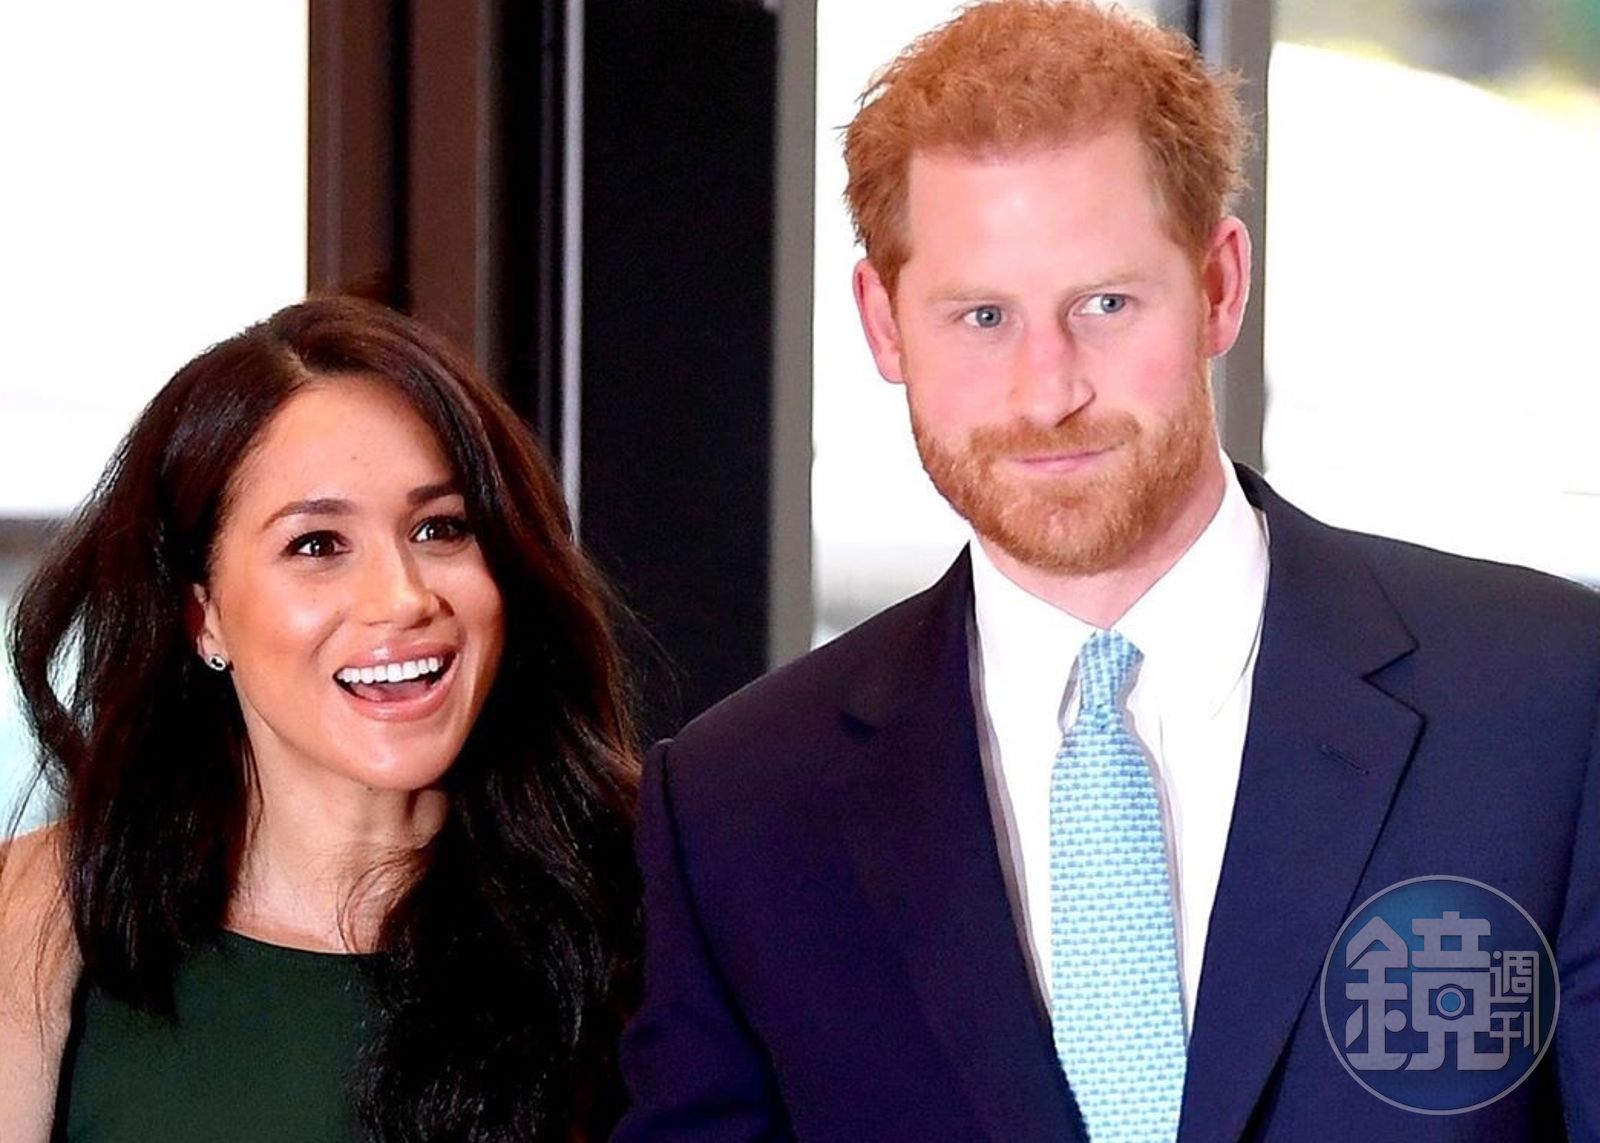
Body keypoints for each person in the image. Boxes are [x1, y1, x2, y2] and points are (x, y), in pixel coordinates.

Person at [616, 1, 1600, 1139]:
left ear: (1219, 285)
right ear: (883, 325)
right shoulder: (738, 807)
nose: (1048, 391)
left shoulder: (1549, 702)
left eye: (1106, 304)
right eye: (982, 315)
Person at [0, 296, 641, 1141]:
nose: (404, 597)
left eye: (441, 528)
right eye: (317, 545)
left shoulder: (647, 903)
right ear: (203, 614)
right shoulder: (50, 907)